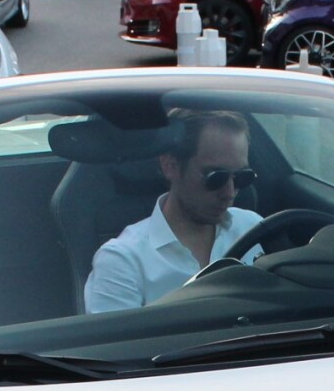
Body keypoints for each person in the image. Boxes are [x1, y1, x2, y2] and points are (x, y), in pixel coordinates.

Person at [84, 110, 265, 312]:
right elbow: (116, 342)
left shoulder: (254, 228)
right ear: (170, 165)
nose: (230, 192)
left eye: (242, 177)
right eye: (216, 177)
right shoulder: (122, 260)